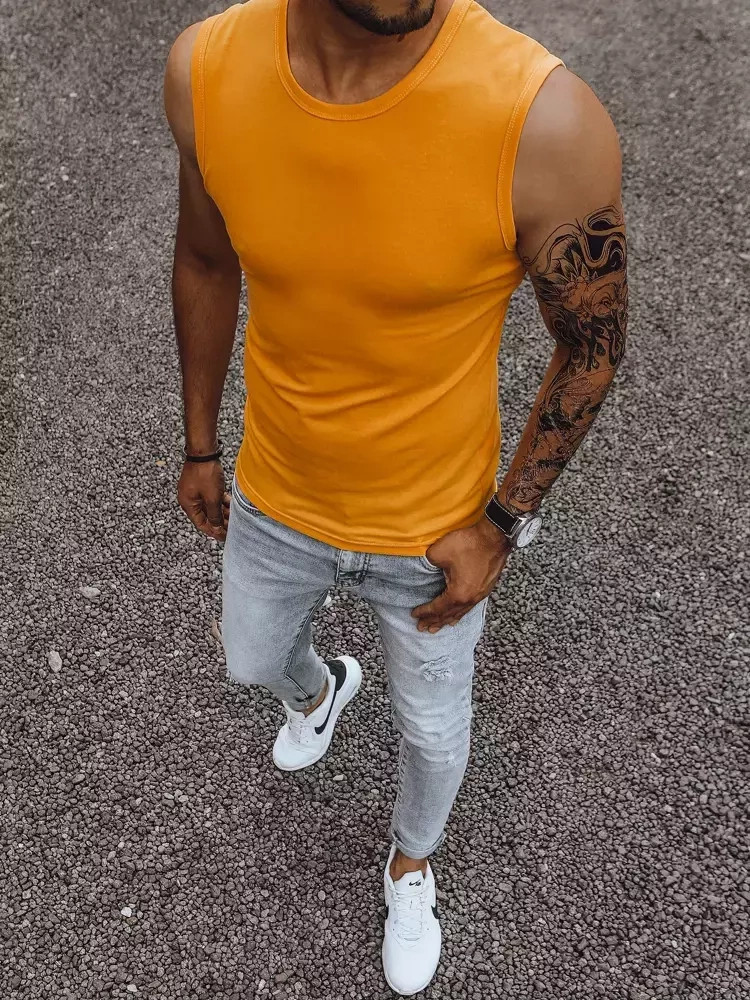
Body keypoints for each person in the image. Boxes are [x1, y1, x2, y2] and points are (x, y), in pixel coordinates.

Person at [164, 0, 628, 992]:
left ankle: (410, 866)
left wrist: (503, 523)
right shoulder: (206, 71)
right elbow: (204, 256)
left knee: (433, 733)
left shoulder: (544, 120)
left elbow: (592, 343)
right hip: (276, 495)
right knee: (251, 660)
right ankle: (321, 690)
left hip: (434, 530)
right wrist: (201, 445)